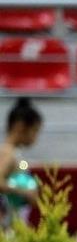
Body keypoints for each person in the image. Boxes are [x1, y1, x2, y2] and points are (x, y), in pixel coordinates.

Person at [0, 97, 42, 227]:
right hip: (7, 227)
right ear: (20, 126)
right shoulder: (9, 153)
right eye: (35, 131)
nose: (36, 137)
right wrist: (25, 192)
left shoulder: (16, 155)